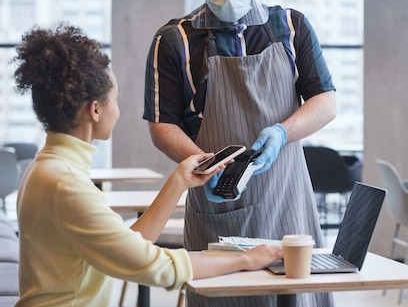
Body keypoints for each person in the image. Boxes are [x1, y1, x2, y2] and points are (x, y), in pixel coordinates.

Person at [13, 24, 282, 307]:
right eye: (115, 100)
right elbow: (154, 266)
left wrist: (179, 181)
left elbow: (128, 248)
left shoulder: (46, 168)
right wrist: (246, 259)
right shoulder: (65, 184)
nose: (117, 109)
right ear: (95, 109)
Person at [143, 0, 336, 307]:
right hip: (220, 209)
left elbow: (325, 101)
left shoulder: (291, 27)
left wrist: (283, 131)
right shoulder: (174, 40)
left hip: (288, 203)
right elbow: (162, 124)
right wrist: (203, 165)